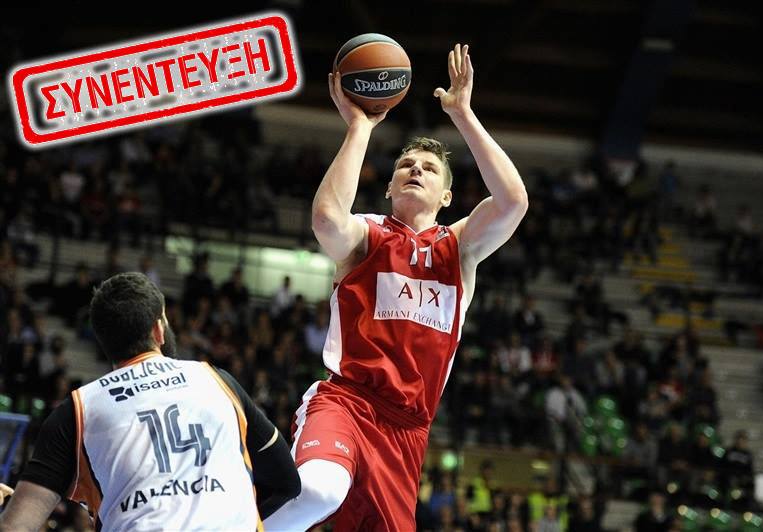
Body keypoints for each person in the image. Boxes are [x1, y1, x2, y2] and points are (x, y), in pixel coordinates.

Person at [264, 43, 528, 531]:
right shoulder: (368, 236)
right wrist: (360, 127)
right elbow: (326, 219)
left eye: (429, 168)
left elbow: (513, 200)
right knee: (319, 488)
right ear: (388, 187)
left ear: (446, 196)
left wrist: (463, 114)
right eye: (406, 165)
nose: (415, 170)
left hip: (407, 431)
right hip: (347, 402)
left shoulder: (460, 248)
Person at [0, 272, 299, 531]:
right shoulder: (218, 381)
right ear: (158, 330)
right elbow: (286, 483)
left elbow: (15, 526)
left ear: (103, 341)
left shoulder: (78, 409)